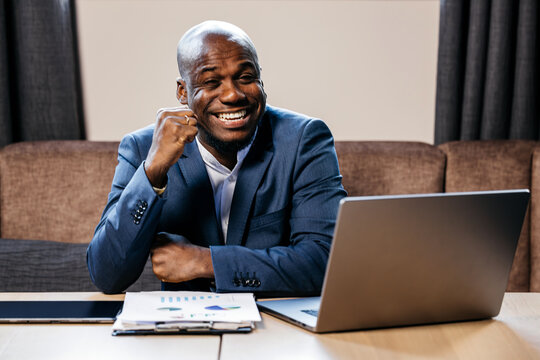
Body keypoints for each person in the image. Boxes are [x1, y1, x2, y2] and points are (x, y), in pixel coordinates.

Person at [87, 20, 346, 296]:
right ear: (183, 92)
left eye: (246, 77)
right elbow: (107, 275)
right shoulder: (143, 149)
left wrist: (204, 262)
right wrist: (152, 173)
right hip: (184, 331)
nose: (233, 94)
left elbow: (326, 262)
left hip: (278, 327)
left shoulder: (303, 140)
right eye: (211, 82)